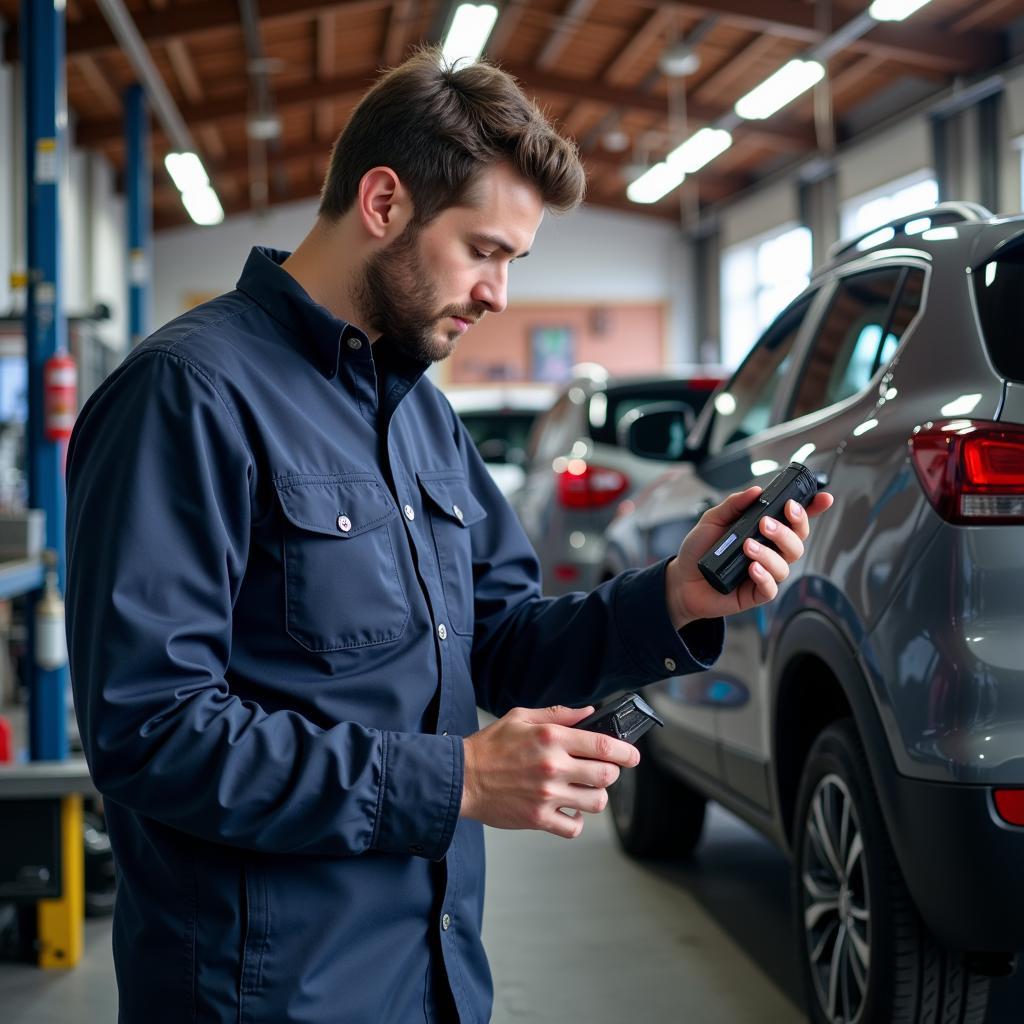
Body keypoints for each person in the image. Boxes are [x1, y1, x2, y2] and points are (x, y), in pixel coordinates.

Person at [65, 48, 832, 1024]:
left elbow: (495, 638)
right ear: (382, 203)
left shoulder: (420, 416)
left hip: (430, 972)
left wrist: (674, 595)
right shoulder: (188, 394)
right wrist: (456, 776)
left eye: (515, 261)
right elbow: (151, 730)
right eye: (484, 250)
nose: (499, 294)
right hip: (261, 990)